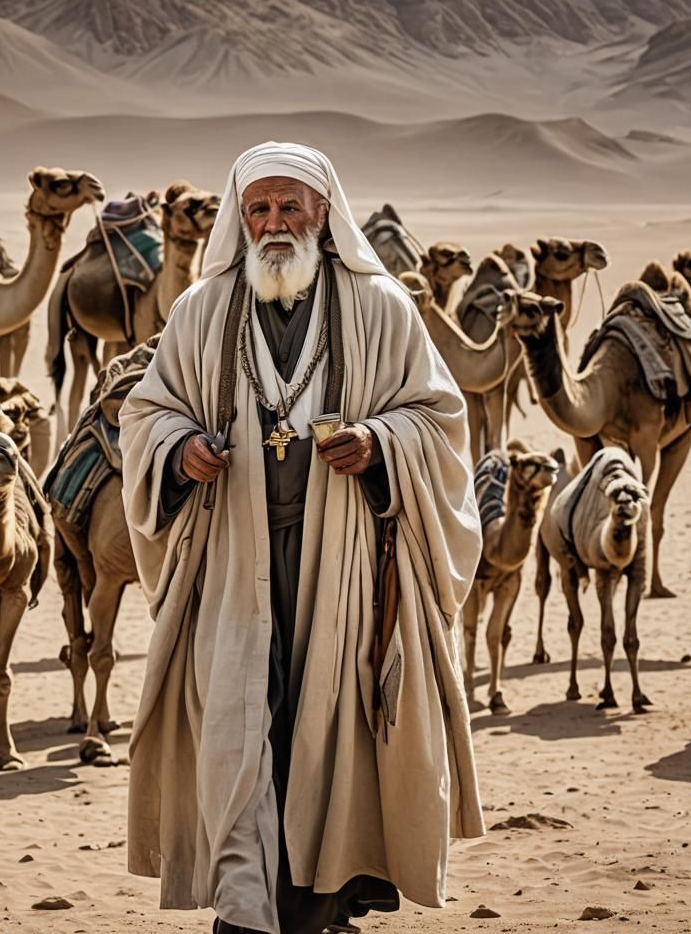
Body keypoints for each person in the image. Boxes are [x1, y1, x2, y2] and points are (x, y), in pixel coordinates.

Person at [119, 142, 484, 934]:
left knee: (332, 725)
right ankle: (248, 906)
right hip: (232, 563)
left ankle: (323, 902)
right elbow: (147, 413)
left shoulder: (381, 307)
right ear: (239, 217)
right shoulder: (202, 310)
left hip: (345, 561)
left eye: (290, 207)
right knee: (242, 730)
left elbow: (440, 419)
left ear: (326, 212)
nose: (274, 223)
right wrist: (178, 449)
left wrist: (382, 443)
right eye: (259, 209)